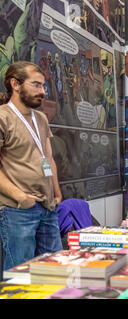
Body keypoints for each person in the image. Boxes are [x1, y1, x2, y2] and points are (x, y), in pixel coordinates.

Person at [0, 61, 63, 270]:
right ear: (15, 84)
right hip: (17, 211)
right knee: (21, 275)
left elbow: (48, 157)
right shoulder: (3, 117)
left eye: (43, 86)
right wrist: (20, 197)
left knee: (53, 272)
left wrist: (56, 191)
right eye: (36, 85)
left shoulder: (41, 118)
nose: (42, 92)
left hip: (48, 207)